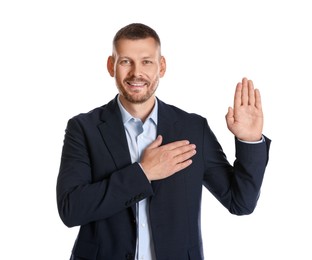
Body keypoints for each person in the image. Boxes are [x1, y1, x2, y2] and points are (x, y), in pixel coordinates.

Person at [56, 23, 271, 260]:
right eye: (126, 61)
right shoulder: (83, 128)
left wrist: (249, 141)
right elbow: (70, 209)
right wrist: (143, 172)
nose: (136, 72)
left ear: (162, 67)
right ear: (111, 66)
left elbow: (240, 202)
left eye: (147, 61)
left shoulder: (192, 128)